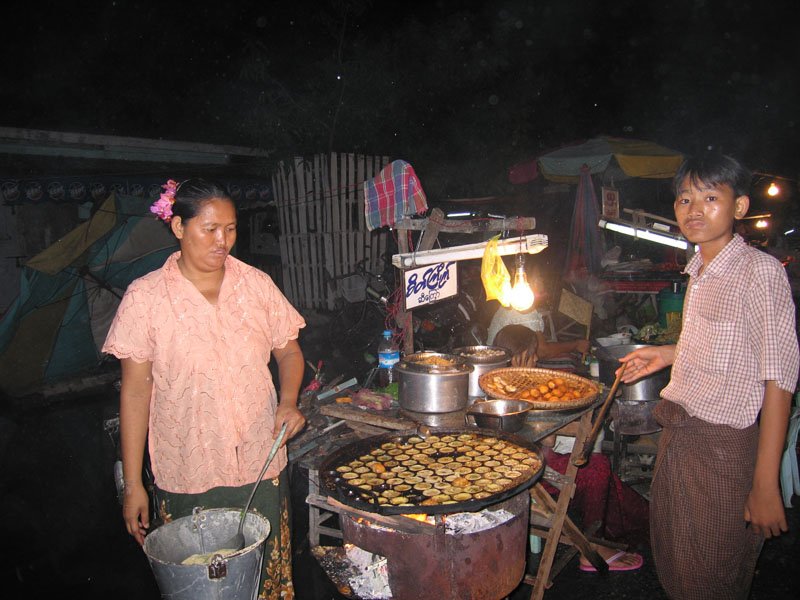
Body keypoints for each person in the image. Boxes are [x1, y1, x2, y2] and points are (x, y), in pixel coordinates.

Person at [102, 178, 306, 599]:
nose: (223, 241)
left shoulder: (256, 285)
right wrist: (135, 485)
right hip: (185, 472)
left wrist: (287, 402)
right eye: (209, 229)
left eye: (230, 229)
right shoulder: (145, 299)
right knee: (202, 587)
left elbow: (289, 353)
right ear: (178, 227)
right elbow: (136, 393)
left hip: (259, 461)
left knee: (263, 584)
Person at [617, 152, 799, 599]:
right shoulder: (699, 269)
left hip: (722, 449)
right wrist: (666, 352)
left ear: (738, 207)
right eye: (684, 199)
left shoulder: (759, 273)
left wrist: (764, 483)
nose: (693, 210)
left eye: (710, 197)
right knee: (677, 563)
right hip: (681, 437)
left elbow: (778, 379)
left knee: (712, 577)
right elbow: (728, 346)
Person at [493, 325, 647, 572]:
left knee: (591, 468)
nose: (536, 360)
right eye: (533, 355)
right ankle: (593, 546)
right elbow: (549, 442)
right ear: (521, 357)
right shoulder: (519, 390)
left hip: (514, 469)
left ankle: (618, 526)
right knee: (596, 468)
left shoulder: (491, 382)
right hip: (523, 476)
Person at [488, 304, 590, 361]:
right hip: (509, 363)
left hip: (508, 359)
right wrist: (576, 345)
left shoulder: (516, 304)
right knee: (569, 360)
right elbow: (542, 352)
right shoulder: (524, 308)